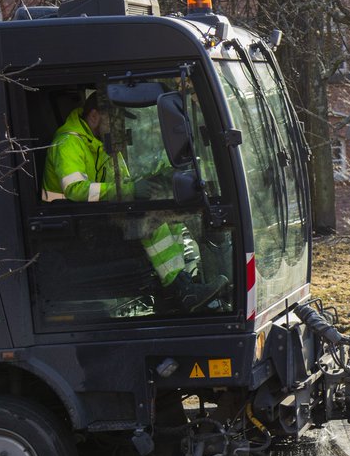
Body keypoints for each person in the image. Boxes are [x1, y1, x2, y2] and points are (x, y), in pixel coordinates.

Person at [42, 91, 227, 312]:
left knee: (170, 213)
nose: (119, 127)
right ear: (94, 117)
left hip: (90, 216)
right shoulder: (68, 142)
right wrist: (130, 189)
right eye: (114, 120)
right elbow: (75, 190)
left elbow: (121, 182)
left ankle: (182, 283)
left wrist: (156, 177)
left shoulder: (100, 142)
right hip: (67, 224)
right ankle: (179, 290)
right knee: (147, 219)